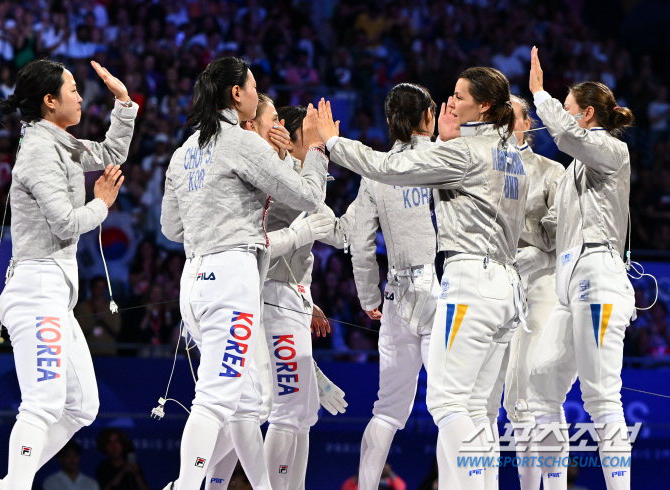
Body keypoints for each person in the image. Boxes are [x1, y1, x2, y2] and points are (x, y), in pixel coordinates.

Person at [308, 66, 529, 490]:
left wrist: (328, 148)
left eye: (459, 97)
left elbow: (354, 234)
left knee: (410, 408)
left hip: (434, 289)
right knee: (473, 408)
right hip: (490, 286)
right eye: (444, 102)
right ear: (427, 115)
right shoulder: (507, 153)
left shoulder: (439, 158)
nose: (451, 104)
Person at [159, 56, 328, 490]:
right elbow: (309, 196)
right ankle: (184, 485)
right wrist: (316, 149)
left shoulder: (183, 152)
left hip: (194, 281)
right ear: (237, 94)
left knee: (243, 402)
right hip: (231, 281)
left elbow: (170, 227)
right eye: (253, 87)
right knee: (215, 400)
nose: (257, 94)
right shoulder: (240, 141)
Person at [0, 58, 136, 490]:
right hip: (36, 289)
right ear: (50, 101)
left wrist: (124, 104)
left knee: (81, 408)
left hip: (55, 296)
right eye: (72, 88)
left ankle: (9, 483)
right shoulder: (37, 152)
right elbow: (65, 224)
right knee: (43, 404)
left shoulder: (63, 143)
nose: (79, 94)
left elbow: (110, 153)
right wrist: (102, 204)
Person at [203, 99, 351, 490]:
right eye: (313, 136)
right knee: (283, 410)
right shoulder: (277, 174)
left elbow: (337, 232)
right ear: (285, 133)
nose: (320, 143)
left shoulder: (301, 175)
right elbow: (264, 243)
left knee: (292, 413)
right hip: (270, 295)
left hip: (288, 297)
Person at [528, 47, 635, 490]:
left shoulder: (612, 151)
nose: (560, 117)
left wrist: (539, 94)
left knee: (601, 396)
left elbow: (568, 136)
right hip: (571, 283)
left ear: (587, 114)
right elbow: (552, 230)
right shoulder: (575, 174)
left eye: (568, 109)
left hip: (600, 278)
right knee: (539, 384)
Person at [350, 83, 438, 489]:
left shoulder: (375, 173)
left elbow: (360, 243)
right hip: (443, 291)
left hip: (397, 295)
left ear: (389, 122)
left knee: (386, 410)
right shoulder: (443, 159)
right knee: (453, 406)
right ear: (428, 117)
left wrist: (369, 296)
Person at [484, 95, 564, 489]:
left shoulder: (553, 171)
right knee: (502, 399)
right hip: (497, 285)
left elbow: (557, 231)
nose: (508, 119)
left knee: (533, 392)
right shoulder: (485, 168)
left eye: (513, 113)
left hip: (541, 286)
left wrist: (522, 240)